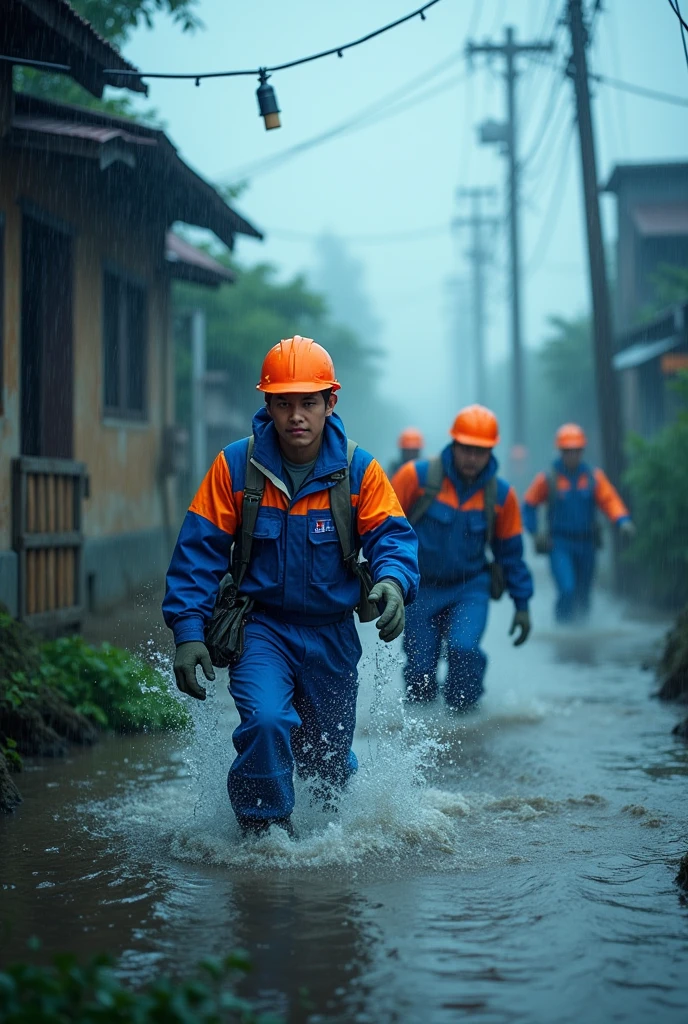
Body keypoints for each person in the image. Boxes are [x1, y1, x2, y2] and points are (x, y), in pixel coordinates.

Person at [163, 336, 420, 837]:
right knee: (266, 723)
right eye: (284, 403)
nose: (296, 415)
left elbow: (393, 536)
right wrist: (188, 631)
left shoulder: (359, 470)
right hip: (261, 629)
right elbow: (198, 552)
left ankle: (330, 830)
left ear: (330, 403)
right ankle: (266, 838)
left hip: (332, 636)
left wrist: (392, 582)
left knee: (326, 761)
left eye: (308, 402)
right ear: (268, 405)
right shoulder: (235, 467)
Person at [391, 404, 533, 711]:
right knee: (419, 673)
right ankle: (424, 735)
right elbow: (381, 529)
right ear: (453, 444)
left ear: (491, 451)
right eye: (466, 448)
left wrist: (522, 605)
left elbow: (511, 555)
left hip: (469, 588)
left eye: (479, 451)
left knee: (463, 649)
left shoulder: (502, 496)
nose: (471, 458)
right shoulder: (415, 478)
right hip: (420, 589)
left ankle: (465, 721)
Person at [522, 423, 635, 624]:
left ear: (582, 451)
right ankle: (563, 629)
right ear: (561, 451)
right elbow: (528, 505)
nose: (572, 455)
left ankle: (581, 632)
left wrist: (622, 520)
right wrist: (534, 532)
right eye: (567, 451)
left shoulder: (593, 477)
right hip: (559, 544)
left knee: (583, 594)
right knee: (567, 589)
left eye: (576, 451)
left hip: (587, 544)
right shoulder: (548, 478)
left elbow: (609, 500)